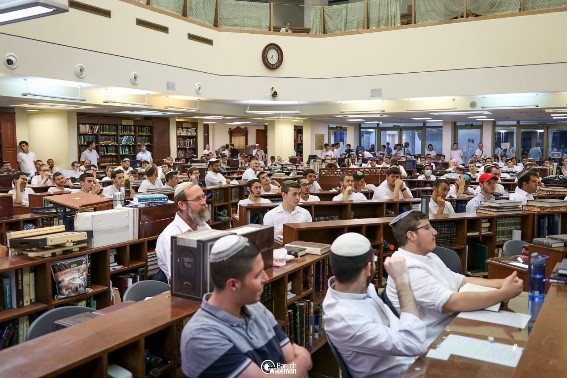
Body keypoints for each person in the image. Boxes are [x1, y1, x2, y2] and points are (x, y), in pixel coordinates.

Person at [180, 234, 312, 377]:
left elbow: (290, 361)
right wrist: (303, 361)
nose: (265, 278)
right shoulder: (200, 336)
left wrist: (291, 369)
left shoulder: (256, 307)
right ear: (233, 284)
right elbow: (294, 366)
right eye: (257, 275)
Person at [386, 210, 523, 346]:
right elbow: (452, 303)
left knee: (511, 333)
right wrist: (503, 293)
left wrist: (502, 283)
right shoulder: (408, 268)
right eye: (427, 228)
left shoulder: (428, 256)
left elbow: (461, 280)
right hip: (436, 340)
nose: (435, 232)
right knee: (507, 341)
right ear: (411, 235)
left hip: (457, 323)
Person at [323, 233, 427, 377]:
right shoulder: (345, 319)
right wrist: (402, 281)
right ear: (368, 268)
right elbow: (414, 344)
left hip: (412, 361)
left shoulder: (360, 288)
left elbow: (409, 339)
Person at [155, 182, 212, 283]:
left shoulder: (203, 226)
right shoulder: (172, 235)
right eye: (198, 199)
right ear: (182, 205)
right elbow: (179, 277)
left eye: (203, 197)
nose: (203, 202)